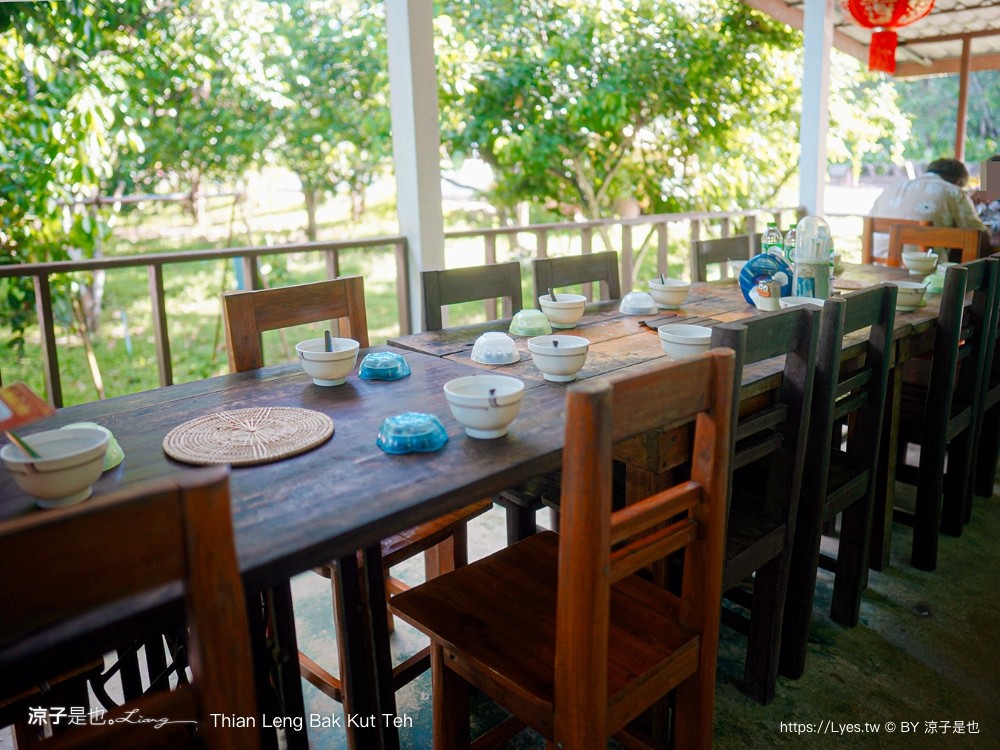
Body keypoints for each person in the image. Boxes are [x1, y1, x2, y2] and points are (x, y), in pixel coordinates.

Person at [869, 158, 991, 259]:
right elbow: (982, 238)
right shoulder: (953, 192)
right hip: (923, 274)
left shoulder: (891, 188)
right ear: (959, 182)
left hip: (877, 268)